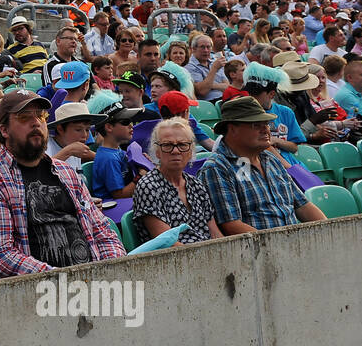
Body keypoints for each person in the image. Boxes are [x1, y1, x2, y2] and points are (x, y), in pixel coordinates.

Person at [0, 90, 126, 278]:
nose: (36, 122)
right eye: (24, 117)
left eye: (41, 116)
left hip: (90, 282)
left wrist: (111, 270)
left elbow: (103, 233)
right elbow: (0, 254)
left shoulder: (66, 173)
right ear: (4, 130)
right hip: (30, 291)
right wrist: (65, 279)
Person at [198, 97, 327, 234]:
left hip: (291, 245)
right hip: (256, 250)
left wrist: (328, 230)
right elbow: (231, 225)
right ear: (232, 129)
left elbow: (303, 206)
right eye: (256, 125)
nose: (265, 130)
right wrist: (280, 243)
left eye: (266, 124)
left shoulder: (270, 159)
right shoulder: (217, 168)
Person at [132, 118, 221, 247]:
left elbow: (215, 234)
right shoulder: (149, 187)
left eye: (182, 145)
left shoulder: (196, 185)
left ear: (190, 151)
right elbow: (167, 244)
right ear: (157, 152)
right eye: (167, 145)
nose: (175, 151)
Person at [87, 90, 143, 198]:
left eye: (131, 121)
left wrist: (141, 162)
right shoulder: (108, 158)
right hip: (113, 209)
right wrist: (141, 176)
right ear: (109, 127)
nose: (131, 125)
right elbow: (119, 194)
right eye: (125, 122)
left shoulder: (116, 151)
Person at [45, 101, 102, 171]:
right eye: (78, 130)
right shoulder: (45, 146)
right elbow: (42, 172)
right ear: (60, 129)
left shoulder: (75, 145)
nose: (84, 135)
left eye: (87, 130)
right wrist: (69, 151)